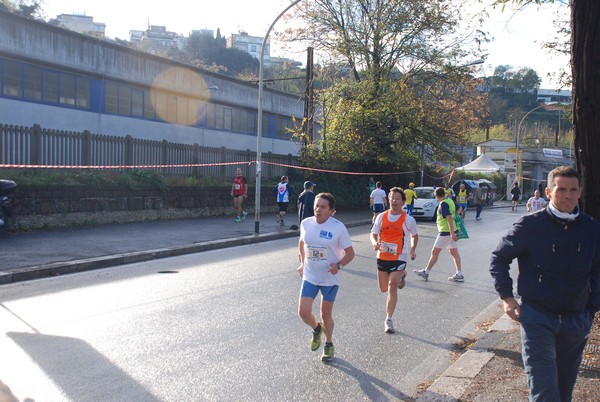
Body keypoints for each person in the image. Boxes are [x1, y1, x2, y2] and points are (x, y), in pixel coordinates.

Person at [489, 166, 600, 402]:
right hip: (538, 319)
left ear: (580, 192)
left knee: (563, 390)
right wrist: (507, 298)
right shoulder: (530, 226)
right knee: (545, 393)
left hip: (576, 321)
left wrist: (590, 311)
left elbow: (597, 271)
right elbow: (499, 258)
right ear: (549, 192)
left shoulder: (592, 229)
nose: (568, 195)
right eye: (561, 189)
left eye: (573, 190)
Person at [297, 193, 355, 362]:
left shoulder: (338, 227)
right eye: (316, 206)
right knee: (303, 313)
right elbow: (302, 242)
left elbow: (350, 253)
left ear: (331, 211)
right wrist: (302, 262)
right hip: (310, 275)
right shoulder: (306, 223)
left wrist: (339, 265)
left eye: (323, 207)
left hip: (330, 278)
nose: (318, 209)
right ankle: (316, 329)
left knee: (325, 313)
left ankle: (329, 344)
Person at [371, 187, 418, 334]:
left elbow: (414, 235)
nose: (394, 200)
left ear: (403, 201)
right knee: (383, 289)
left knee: (392, 286)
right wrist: (374, 243)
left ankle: (388, 319)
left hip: (399, 256)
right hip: (383, 256)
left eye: (397, 198)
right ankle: (402, 276)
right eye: (392, 197)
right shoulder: (381, 217)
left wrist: (412, 249)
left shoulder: (408, 219)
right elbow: (373, 233)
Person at [414, 187, 464, 282]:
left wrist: (452, 232)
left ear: (436, 196)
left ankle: (426, 272)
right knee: (454, 252)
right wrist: (455, 216)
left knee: (435, 252)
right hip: (451, 231)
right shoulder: (449, 201)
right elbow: (460, 208)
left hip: (446, 232)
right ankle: (459, 274)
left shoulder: (443, 204)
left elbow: (448, 218)